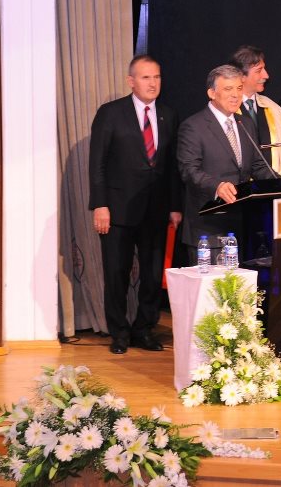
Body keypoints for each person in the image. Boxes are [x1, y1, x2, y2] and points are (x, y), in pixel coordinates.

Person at [88, 56, 181, 355]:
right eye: (145, 77)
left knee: (153, 275)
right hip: (117, 210)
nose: (153, 83)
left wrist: (174, 205)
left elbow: (172, 166)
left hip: (156, 210)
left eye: (157, 77)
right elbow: (97, 163)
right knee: (116, 273)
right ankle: (119, 333)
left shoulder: (168, 114)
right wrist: (100, 204)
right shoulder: (110, 113)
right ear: (131, 81)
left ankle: (144, 329)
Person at [177, 64, 273, 265]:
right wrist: (217, 186)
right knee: (212, 286)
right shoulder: (194, 126)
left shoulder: (245, 123)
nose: (235, 95)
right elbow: (189, 170)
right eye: (228, 89)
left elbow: (258, 166)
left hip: (241, 228)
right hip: (207, 231)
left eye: (239, 88)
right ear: (212, 93)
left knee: (238, 286)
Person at [228, 45, 281, 178]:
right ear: (241, 76)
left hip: (273, 185)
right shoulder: (227, 110)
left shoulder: (273, 108)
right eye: (259, 70)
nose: (266, 75)